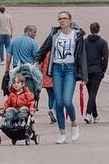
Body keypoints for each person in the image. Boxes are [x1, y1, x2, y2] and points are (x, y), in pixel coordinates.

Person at [37, 11, 86, 144]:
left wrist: (84, 75)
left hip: (70, 69)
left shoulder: (77, 35)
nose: (62, 21)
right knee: (58, 103)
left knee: (67, 101)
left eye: (64, 18)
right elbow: (44, 48)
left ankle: (74, 124)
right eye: (60, 19)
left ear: (70, 20)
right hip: (57, 68)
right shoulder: (54, 34)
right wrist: (36, 60)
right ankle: (63, 133)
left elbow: (82, 55)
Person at [84, 21, 109, 122]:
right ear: (98, 29)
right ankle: (88, 114)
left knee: (91, 93)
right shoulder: (103, 42)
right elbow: (105, 58)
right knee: (93, 93)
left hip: (87, 70)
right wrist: (103, 70)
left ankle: (95, 115)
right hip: (97, 70)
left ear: (90, 29)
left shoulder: (85, 42)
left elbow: (82, 56)